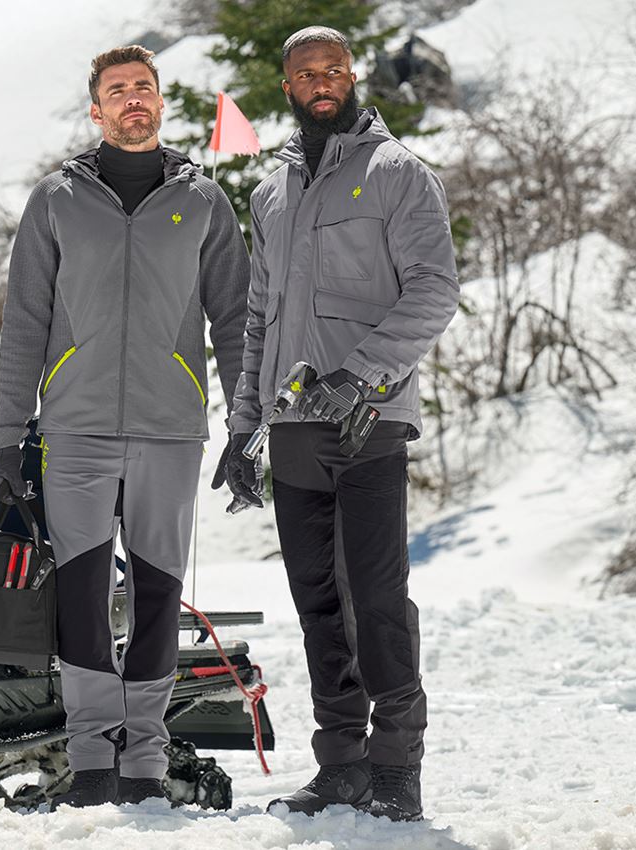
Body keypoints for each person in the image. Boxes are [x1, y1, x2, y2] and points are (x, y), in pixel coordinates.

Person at [0, 45, 249, 810]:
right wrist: (10, 434)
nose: (133, 100)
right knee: (81, 590)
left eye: (144, 89)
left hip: (171, 427)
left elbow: (235, 320)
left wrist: (245, 425)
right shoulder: (57, 200)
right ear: (95, 110)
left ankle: (144, 761)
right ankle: (92, 762)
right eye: (117, 91)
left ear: (162, 104)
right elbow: (24, 320)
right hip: (74, 428)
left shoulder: (204, 201)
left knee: (159, 594)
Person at [218, 26, 460, 822]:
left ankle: (397, 766)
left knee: (375, 596)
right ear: (286, 86)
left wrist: (363, 375)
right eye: (305, 74)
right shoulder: (272, 192)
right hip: (292, 429)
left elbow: (432, 291)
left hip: (368, 422)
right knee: (317, 598)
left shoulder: (398, 175)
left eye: (333, 70)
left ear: (352, 76)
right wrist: (244, 427)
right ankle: (342, 765)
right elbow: (259, 319)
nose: (321, 83)